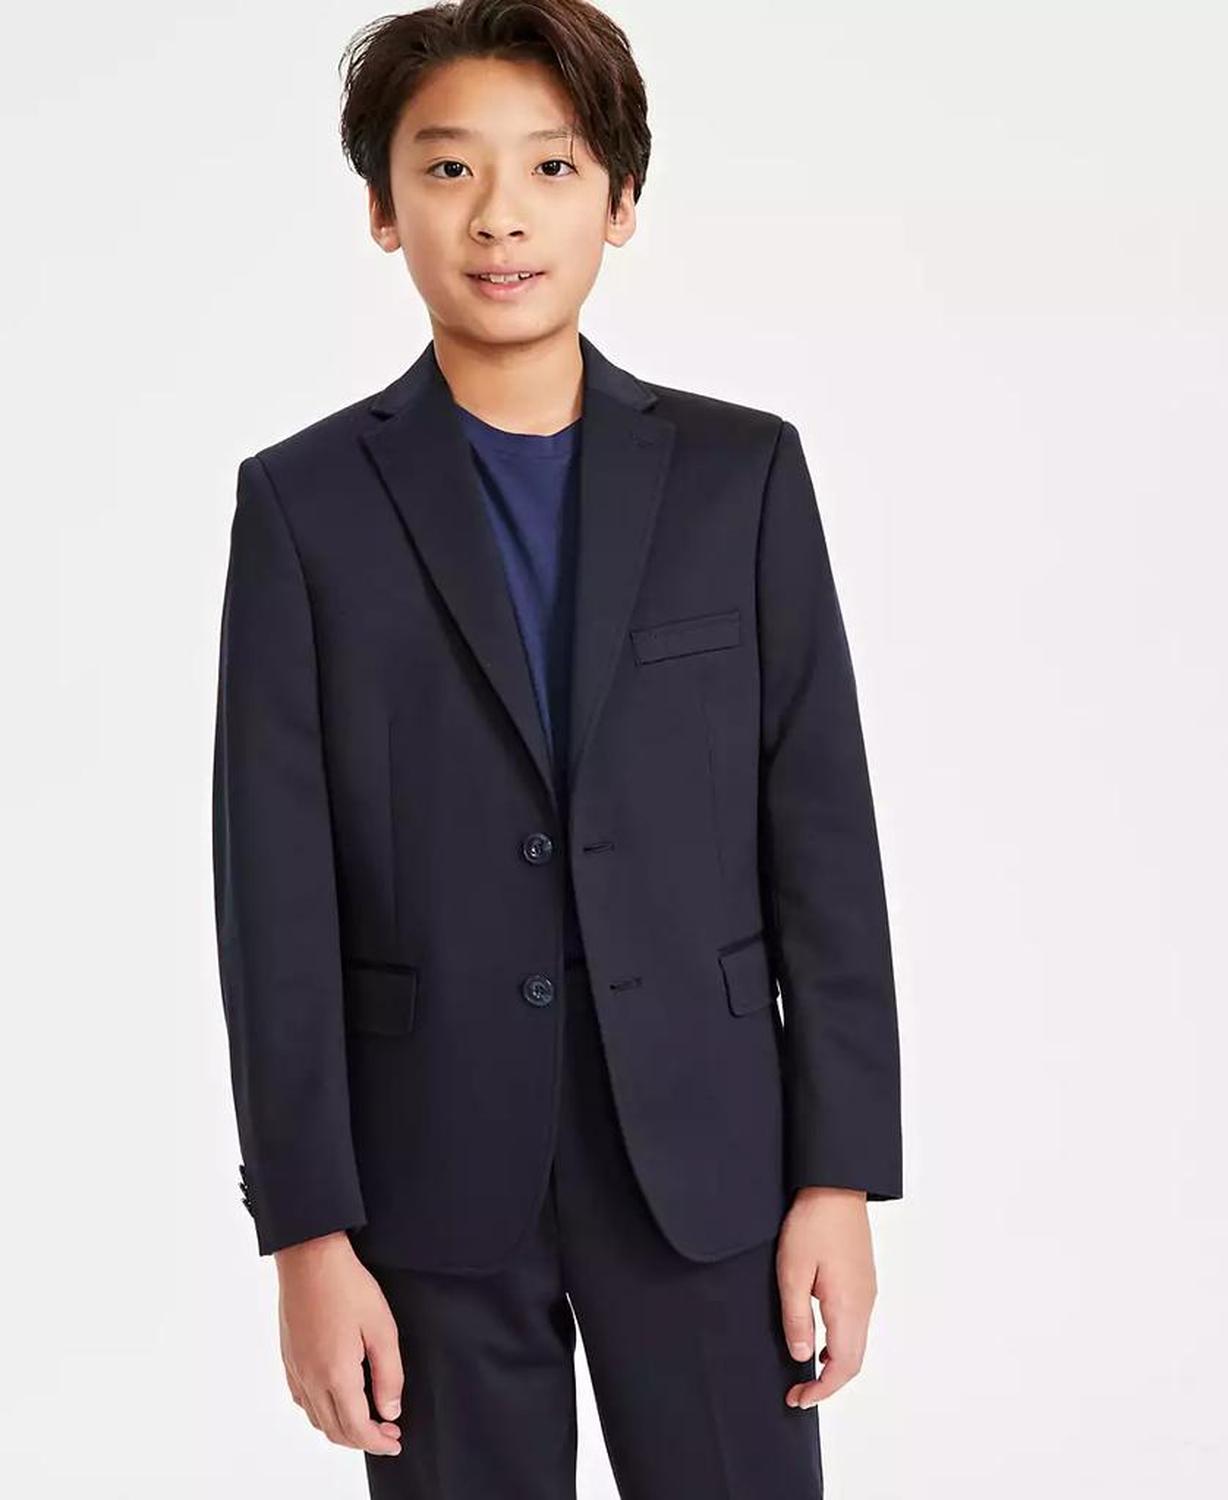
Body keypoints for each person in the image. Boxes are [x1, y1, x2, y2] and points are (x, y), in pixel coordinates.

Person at [210, 2, 902, 1495]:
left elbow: (823, 842)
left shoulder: (740, 476)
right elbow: (273, 898)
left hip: (709, 1163)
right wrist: (306, 1233)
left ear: (621, 201)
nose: (501, 215)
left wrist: (839, 1176)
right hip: (428, 1178)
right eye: (448, 168)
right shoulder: (305, 507)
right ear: (383, 209)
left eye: (552, 166)